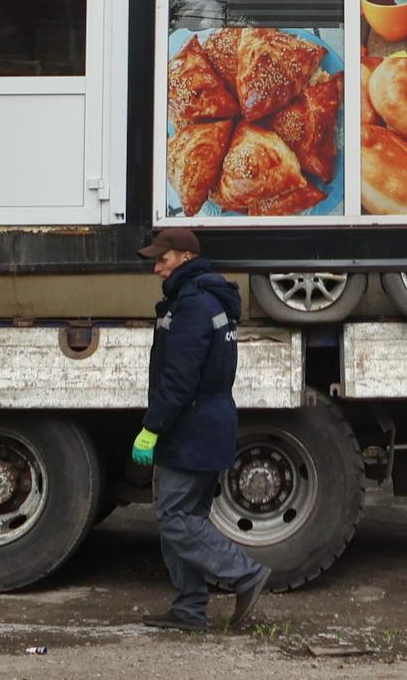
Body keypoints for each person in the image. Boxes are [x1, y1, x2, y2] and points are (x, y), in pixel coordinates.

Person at [130, 227, 270, 633]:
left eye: (164, 259)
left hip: (191, 425)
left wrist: (152, 427)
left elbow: (180, 377)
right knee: (185, 517)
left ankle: (244, 574)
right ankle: (189, 610)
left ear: (186, 258)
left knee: (175, 518)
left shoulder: (192, 306)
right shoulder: (209, 300)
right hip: (207, 421)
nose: (157, 267)